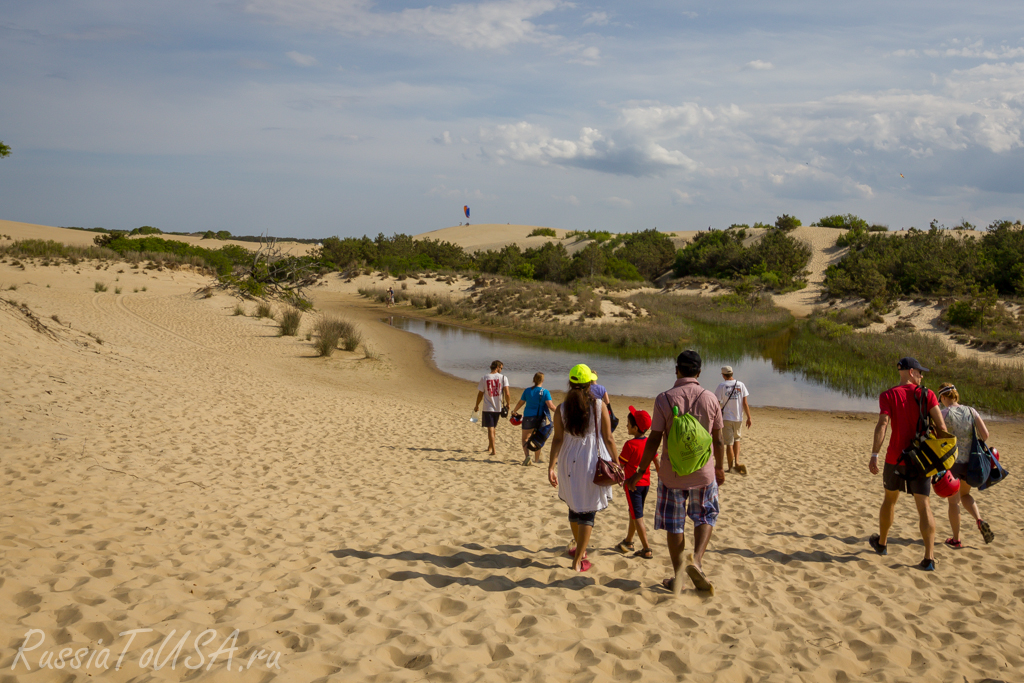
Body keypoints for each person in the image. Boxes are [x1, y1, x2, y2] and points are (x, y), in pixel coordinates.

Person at [625, 350, 725, 595]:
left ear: (676, 370)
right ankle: (698, 561)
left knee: (674, 525)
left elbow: (654, 440)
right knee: (705, 516)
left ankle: (679, 576)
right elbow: (719, 439)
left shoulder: (664, 399)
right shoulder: (711, 398)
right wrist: (720, 468)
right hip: (704, 473)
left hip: (672, 475)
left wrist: (640, 472)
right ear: (699, 373)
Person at [869, 357, 949, 572]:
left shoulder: (888, 395)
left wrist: (875, 454)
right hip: (921, 459)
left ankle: (883, 543)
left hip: (895, 457)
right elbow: (941, 427)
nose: (922, 376)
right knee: (924, 506)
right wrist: (943, 458)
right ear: (911, 372)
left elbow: (882, 425)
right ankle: (929, 558)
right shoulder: (927, 394)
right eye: (920, 372)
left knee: (889, 500)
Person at [548, 364, 617, 572]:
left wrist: (551, 466)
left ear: (570, 383)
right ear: (590, 384)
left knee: (573, 504)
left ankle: (580, 549)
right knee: (587, 510)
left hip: (569, 459)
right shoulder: (598, 406)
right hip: (590, 459)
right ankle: (578, 559)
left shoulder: (561, 409)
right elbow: (609, 437)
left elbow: (557, 439)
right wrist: (617, 462)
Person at [937, 383, 995, 547]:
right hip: (971, 463)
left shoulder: (943, 413)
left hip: (953, 463)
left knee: (953, 502)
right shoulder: (971, 411)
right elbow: (985, 435)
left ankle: (956, 539)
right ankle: (979, 520)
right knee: (965, 495)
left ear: (943, 397)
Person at [615, 406, 657, 559]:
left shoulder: (629, 445)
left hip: (633, 485)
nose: (626, 426)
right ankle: (629, 541)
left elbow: (620, 466)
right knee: (633, 512)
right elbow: (656, 461)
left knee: (637, 516)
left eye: (628, 424)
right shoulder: (649, 443)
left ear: (635, 428)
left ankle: (646, 548)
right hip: (646, 484)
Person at [511, 372, 557, 466]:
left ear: (533, 380)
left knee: (525, 439)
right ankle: (536, 460)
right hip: (540, 418)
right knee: (538, 439)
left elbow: (521, 403)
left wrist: (514, 410)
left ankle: (527, 456)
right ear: (543, 380)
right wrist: (560, 411)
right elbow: (551, 406)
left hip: (528, 417)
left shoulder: (527, 391)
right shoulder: (545, 392)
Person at [714, 366, 751, 474]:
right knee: (737, 440)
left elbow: (717, 402)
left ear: (723, 375)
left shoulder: (722, 386)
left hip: (726, 418)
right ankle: (737, 462)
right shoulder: (741, 384)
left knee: (729, 443)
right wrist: (749, 417)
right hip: (738, 418)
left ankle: (730, 467)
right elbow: (745, 403)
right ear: (732, 373)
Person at [474, 360, 511, 457]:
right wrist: (508, 403)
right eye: (501, 368)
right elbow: (507, 393)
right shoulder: (503, 378)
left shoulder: (484, 377)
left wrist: (477, 405)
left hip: (488, 407)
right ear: (497, 367)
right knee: (493, 428)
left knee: (490, 428)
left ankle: (493, 449)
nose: (501, 370)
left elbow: (480, 394)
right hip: (498, 407)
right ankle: (490, 447)